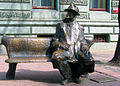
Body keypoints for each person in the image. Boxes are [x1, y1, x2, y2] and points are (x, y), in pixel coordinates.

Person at [51, 3, 94, 85]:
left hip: (76, 50)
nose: (69, 14)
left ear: (75, 15)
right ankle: (68, 77)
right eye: (68, 11)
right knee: (56, 57)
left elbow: (83, 41)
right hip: (64, 50)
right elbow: (55, 40)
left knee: (89, 61)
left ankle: (76, 76)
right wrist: (61, 45)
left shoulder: (80, 28)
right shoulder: (60, 25)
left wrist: (85, 46)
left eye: (71, 12)